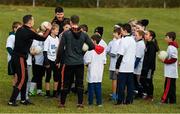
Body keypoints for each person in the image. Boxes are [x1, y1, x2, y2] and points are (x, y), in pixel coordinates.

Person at [8, 14, 51, 106]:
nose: (34, 21)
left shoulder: (21, 29)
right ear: (30, 21)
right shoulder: (27, 32)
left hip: (19, 57)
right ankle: (12, 100)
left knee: (26, 78)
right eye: (33, 20)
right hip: (19, 58)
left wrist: (40, 29)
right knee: (22, 79)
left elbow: (33, 32)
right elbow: (43, 38)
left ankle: (23, 99)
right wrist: (48, 29)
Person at [56, 15, 95, 108]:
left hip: (68, 62)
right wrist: (83, 51)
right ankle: (80, 104)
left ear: (70, 22)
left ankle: (62, 104)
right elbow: (92, 46)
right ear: (78, 22)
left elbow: (61, 48)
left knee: (65, 83)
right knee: (79, 83)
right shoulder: (84, 34)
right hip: (79, 62)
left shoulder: (66, 34)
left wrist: (58, 60)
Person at [115, 23, 136, 105]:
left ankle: (120, 101)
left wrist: (117, 67)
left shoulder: (124, 40)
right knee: (130, 85)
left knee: (121, 85)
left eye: (121, 30)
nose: (121, 32)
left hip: (123, 67)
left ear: (125, 30)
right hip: (131, 66)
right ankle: (129, 100)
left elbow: (120, 55)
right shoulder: (133, 40)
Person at [84, 34, 106, 107]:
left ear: (94, 41)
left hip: (92, 71)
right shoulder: (103, 50)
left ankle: (90, 103)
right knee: (98, 88)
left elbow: (86, 60)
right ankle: (99, 102)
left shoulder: (90, 50)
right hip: (99, 71)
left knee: (91, 88)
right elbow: (104, 61)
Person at [140, 30, 159, 101]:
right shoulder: (148, 43)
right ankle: (147, 93)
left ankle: (150, 95)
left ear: (151, 37)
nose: (145, 35)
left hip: (149, 68)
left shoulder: (152, 45)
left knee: (148, 80)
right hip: (145, 67)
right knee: (143, 79)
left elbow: (150, 59)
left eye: (146, 34)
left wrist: (146, 68)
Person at [160, 32, 178, 104]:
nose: (165, 38)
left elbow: (174, 59)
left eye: (166, 37)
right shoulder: (171, 46)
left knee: (167, 86)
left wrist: (165, 61)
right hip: (172, 71)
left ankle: (164, 100)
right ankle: (172, 100)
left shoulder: (171, 47)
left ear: (170, 38)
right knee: (172, 87)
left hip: (170, 71)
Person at [43, 24, 60, 98]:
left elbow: (58, 51)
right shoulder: (48, 39)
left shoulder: (57, 39)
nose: (58, 31)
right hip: (49, 60)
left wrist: (58, 61)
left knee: (56, 76)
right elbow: (45, 51)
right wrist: (46, 61)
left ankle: (55, 93)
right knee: (48, 76)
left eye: (58, 30)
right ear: (52, 30)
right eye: (56, 30)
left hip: (55, 60)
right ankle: (47, 92)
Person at [106, 27, 121, 101]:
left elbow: (113, 54)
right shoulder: (112, 41)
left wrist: (109, 53)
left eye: (115, 33)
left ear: (119, 34)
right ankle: (115, 94)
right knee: (114, 80)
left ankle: (115, 95)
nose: (113, 34)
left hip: (115, 65)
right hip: (113, 65)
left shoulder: (117, 42)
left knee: (115, 80)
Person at [133, 30, 145, 97]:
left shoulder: (141, 44)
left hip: (137, 67)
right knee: (135, 81)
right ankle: (138, 92)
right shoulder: (137, 42)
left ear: (141, 36)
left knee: (137, 81)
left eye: (136, 35)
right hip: (135, 66)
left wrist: (133, 67)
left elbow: (138, 57)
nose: (135, 37)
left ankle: (140, 93)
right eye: (134, 35)